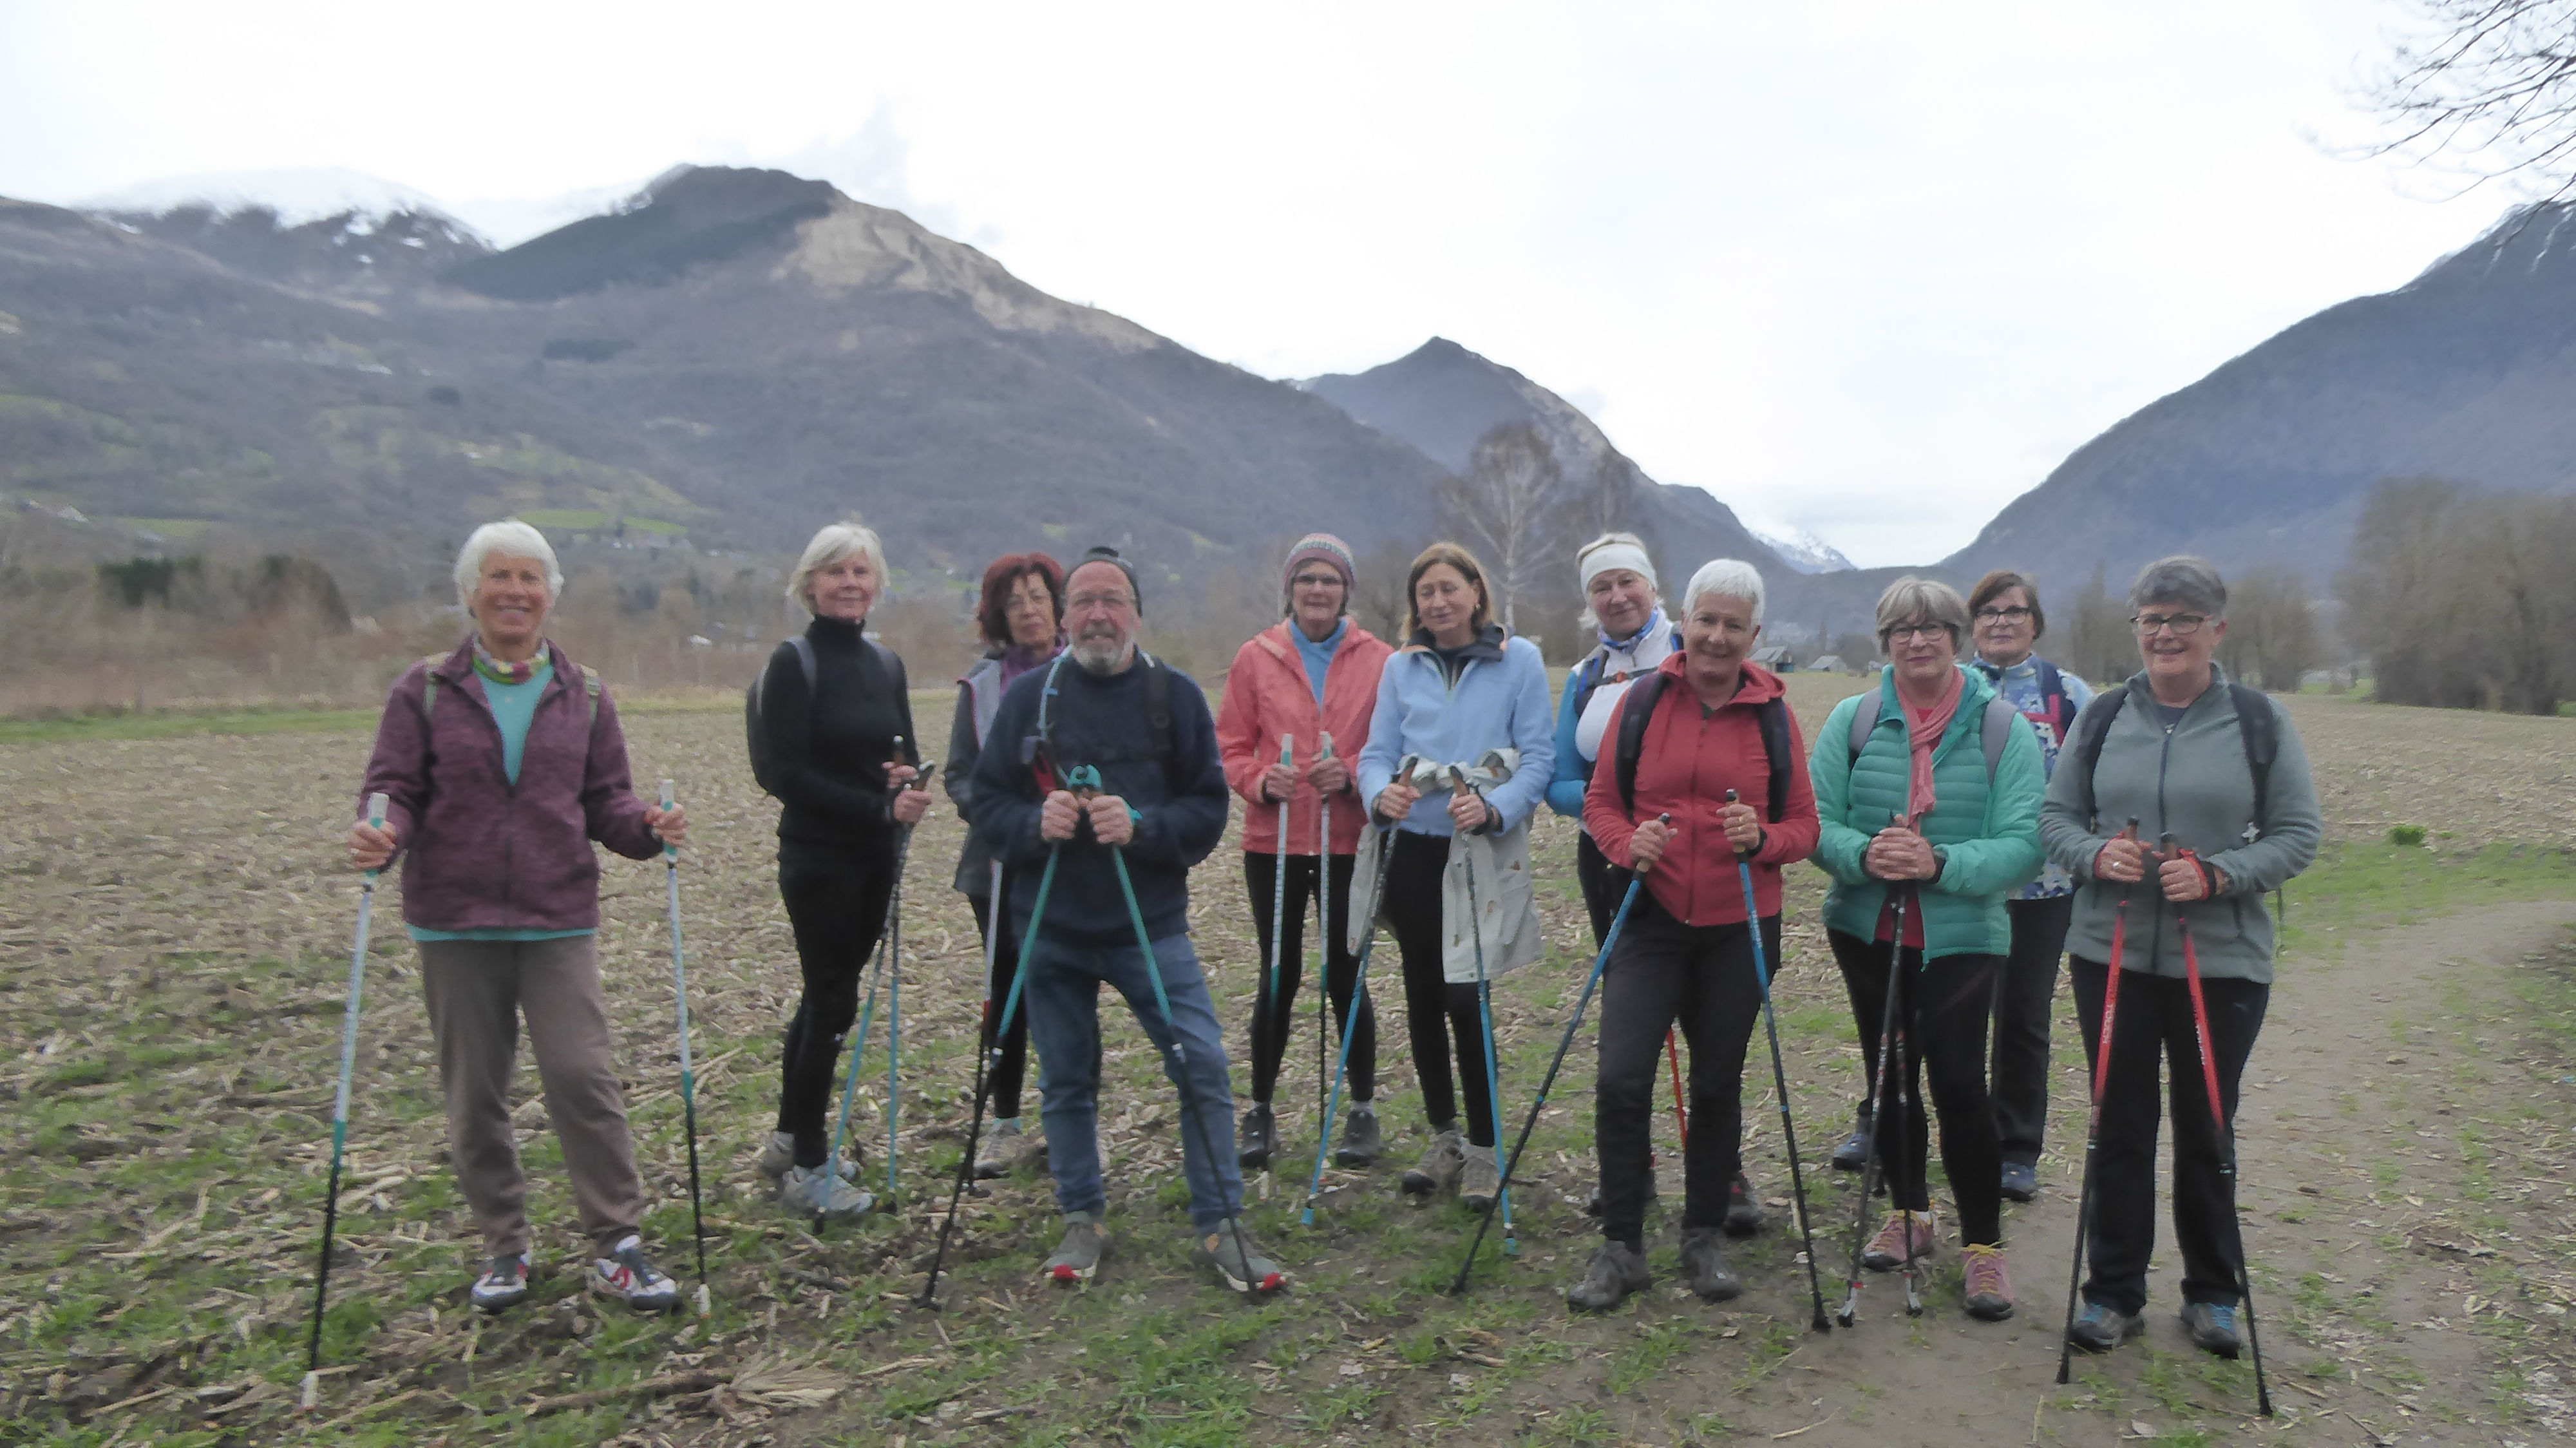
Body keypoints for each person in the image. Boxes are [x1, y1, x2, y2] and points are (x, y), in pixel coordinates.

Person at [350, 519, 688, 1314]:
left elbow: (606, 801)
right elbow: (394, 787)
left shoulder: (586, 693)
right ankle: (505, 1246)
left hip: (555, 917)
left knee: (582, 1075)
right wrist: (381, 831)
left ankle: (617, 1244)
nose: (514, 591)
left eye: (530, 578)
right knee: (475, 1095)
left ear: (549, 595)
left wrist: (647, 827)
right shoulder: (424, 689)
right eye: (498, 576)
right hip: (454, 922)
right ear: (471, 593)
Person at [969, 545, 1285, 1295]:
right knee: (1065, 1080)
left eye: (1112, 600)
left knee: (1201, 1065)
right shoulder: (1030, 699)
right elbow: (986, 802)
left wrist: (1141, 826)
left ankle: (1222, 1222)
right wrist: (1032, 822)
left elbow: (1206, 810)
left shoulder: (1172, 695)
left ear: (1136, 614)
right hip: (1050, 927)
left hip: (1150, 925)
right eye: (1083, 601)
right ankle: (1082, 1217)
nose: (1098, 615)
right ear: (1064, 616)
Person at [2043, 556, 2320, 1359]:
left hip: (2222, 961)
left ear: (2216, 630)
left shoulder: (2258, 721)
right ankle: (2112, 1293)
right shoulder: (2101, 718)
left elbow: (2297, 834)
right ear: (2136, 627)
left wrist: (2219, 874)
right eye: (2151, 618)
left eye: (2183, 619)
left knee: (2206, 1126)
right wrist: (2096, 855)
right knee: (2119, 1124)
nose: (2165, 633)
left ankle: (2212, 1294)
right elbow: (2054, 818)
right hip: (2111, 953)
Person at [1568, 560, 1819, 1310]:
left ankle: (1702, 1233)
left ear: (1754, 635)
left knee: (1715, 1082)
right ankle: (1621, 1245)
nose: (1715, 636)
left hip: (1738, 924)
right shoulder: (1642, 700)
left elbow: (1804, 827)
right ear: (1684, 622)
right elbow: (1599, 803)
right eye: (1705, 620)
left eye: (1732, 625)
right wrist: (1627, 843)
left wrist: (1762, 838)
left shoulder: (1774, 715)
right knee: (1620, 1079)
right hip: (1649, 917)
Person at [1808, 576, 2045, 1322]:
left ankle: (1983, 1246)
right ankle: (1909, 1212)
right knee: (1889, 1077)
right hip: (1867, 931)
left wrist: (1938, 862)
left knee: (1959, 1084)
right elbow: (1815, 822)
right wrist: (1864, 854)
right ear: (1885, 642)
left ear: (1956, 636)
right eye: (1900, 630)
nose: (1917, 640)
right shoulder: (1852, 720)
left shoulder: (2003, 728)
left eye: (1932, 627)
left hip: (1962, 939)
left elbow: (2025, 844)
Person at [1544, 532, 1764, 1233]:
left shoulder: (1692, 648)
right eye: (1600, 587)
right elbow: (1559, 779)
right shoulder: (1586, 675)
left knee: (1711, 1033)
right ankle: (1630, 1170)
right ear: (1589, 601)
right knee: (1632, 1026)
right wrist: (1618, 814)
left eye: (1627, 582)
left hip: (1703, 866)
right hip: (1615, 859)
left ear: (1653, 589)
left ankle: (1721, 1171)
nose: (1616, 597)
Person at [1355, 542, 1555, 1212]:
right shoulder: (1400, 666)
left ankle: (1485, 1146)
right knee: (1421, 995)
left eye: (1449, 588)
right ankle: (1444, 1137)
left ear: (1476, 592)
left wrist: (1495, 809)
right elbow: (1376, 754)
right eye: (1425, 593)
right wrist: (1380, 793)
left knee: (1465, 999)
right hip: (1412, 851)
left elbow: (1538, 757)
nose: (1437, 602)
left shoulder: (1518, 660)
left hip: (1475, 852)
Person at [751, 522, 933, 1220]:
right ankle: (809, 1166)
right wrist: (875, 806)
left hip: (874, 856)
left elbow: (901, 751)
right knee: (830, 999)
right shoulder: (793, 663)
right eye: (836, 571)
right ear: (810, 584)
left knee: (827, 997)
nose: (850, 583)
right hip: (818, 858)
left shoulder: (885, 665)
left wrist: (902, 781)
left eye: (861, 571)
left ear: (877, 584)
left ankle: (788, 1139)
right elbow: (783, 772)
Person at [1215, 533, 1394, 1170]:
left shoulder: (1381, 660)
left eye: (1330, 579)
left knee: (1346, 972)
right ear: (1289, 588)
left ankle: (1362, 1110)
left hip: (1348, 838)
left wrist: (1351, 770)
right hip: (1276, 841)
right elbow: (1231, 746)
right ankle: (1260, 1108)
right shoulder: (1255, 657)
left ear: (1347, 590)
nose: (1317, 589)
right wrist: (1262, 780)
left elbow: (1394, 742)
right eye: (1306, 578)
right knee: (1278, 972)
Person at [1962, 569, 2096, 1204]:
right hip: (1960, 881)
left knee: (2022, 1019)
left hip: (2044, 889)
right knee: (1938, 1016)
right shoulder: (1950, 687)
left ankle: (2015, 1149)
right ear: (1972, 624)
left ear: (2035, 623)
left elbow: (2096, 782)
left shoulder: (2069, 694)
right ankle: (1894, 1126)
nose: (2001, 621)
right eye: (1988, 611)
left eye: (2014, 611)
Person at [944, 551, 1067, 1179]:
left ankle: (1070, 1118)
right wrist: (1005, 817)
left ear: (1058, 605)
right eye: (1014, 602)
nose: (1028, 611)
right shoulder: (982, 685)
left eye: (1038, 597)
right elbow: (960, 775)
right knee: (1007, 988)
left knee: (1067, 988)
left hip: (1073, 862)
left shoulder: (1084, 671)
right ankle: (1005, 1121)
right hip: (998, 865)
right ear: (998, 614)